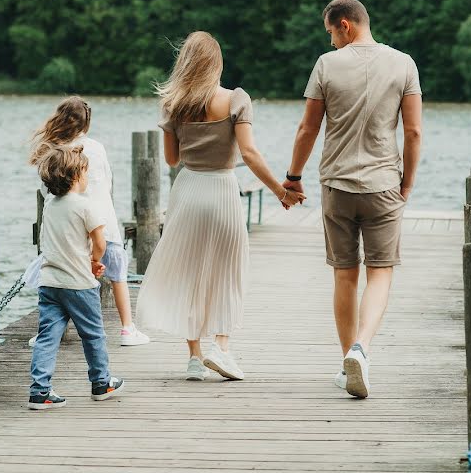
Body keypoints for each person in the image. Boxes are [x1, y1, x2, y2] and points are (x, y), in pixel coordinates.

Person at [136, 31, 304, 381]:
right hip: (223, 190)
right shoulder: (236, 100)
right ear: (216, 63)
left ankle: (195, 358)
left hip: (189, 190)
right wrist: (279, 190)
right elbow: (249, 154)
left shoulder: (172, 103)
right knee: (228, 272)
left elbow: (171, 159)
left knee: (189, 274)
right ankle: (221, 349)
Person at [284, 0, 423, 398]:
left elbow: (307, 129)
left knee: (345, 275)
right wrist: (407, 183)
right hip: (383, 186)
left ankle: (348, 360)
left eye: (330, 32)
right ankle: (362, 348)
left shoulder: (327, 66)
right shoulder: (404, 63)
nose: (330, 42)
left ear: (345, 24)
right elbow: (413, 132)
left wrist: (293, 177)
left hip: (338, 186)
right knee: (380, 271)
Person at [30, 96, 150, 346]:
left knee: (63, 276)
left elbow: (46, 190)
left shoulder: (54, 150)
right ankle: (128, 329)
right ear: (87, 123)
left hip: (70, 229)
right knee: (118, 277)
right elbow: (107, 181)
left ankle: (52, 332)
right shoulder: (96, 147)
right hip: (102, 222)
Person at [27, 144, 125, 409]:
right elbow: (100, 243)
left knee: (48, 336)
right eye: (84, 172)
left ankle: (40, 391)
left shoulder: (50, 205)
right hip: (79, 285)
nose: (87, 178)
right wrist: (94, 261)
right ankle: (101, 382)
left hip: (50, 283)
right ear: (74, 176)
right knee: (93, 334)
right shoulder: (86, 206)